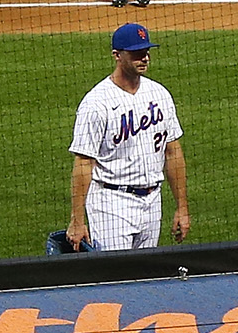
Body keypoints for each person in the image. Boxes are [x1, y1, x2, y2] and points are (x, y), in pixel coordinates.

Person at [66, 22, 189, 250]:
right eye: (136, 54)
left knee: (145, 274)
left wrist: (182, 207)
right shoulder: (96, 103)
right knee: (116, 276)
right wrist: (77, 220)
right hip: (111, 203)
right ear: (117, 55)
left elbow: (173, 152)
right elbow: (83, 162)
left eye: (146, 52)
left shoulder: (159, 94)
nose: (144, 58)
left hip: (153, 200)